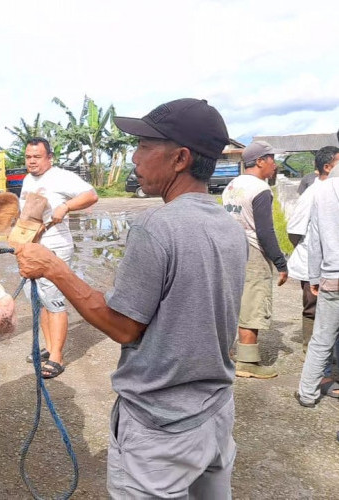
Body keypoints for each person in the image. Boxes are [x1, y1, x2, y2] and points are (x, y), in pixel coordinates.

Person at [16, 98, 247, 497]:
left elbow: (124, 327)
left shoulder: (156, 226)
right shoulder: (229, 228)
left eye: (143, 146)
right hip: (215, 412)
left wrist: (54, 268)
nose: (134, 157)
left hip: (161, 426)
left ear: (180, 158)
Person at [19, 137, 98, 378]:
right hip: (32, 246)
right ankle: (49, 346)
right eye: (28, 157)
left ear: (49, 158)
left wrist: (66, 207)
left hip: (56, 247)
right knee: (40, 299)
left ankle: (57, 356)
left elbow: (91, 195)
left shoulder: (60, 176)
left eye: (37, 157)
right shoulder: (27, 179)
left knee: (53, 300)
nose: (32, 161)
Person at [222, 140, 288, 379]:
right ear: (260, 161)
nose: (275, 165)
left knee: (235, 301)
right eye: (272, 159)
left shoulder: (232, 185)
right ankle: (247, 362)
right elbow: (265, 232)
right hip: (252, 251)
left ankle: (228, 352)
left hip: (231, 249)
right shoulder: (260, 189)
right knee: (253, 302)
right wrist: (281, 263)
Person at [287, 147, 339, 365]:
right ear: (328, 167)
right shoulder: (314, 193)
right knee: (313, 310)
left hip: (330, 264)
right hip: (314, 266)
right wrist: (312, 255)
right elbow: (294, 231)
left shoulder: (332, 190)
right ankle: (312, 355)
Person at [296, 162, 339, 408]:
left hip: (332, 276)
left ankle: (307, 394)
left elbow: (315, 240)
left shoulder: (320, 190)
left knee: (322, 339)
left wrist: (313, 277)